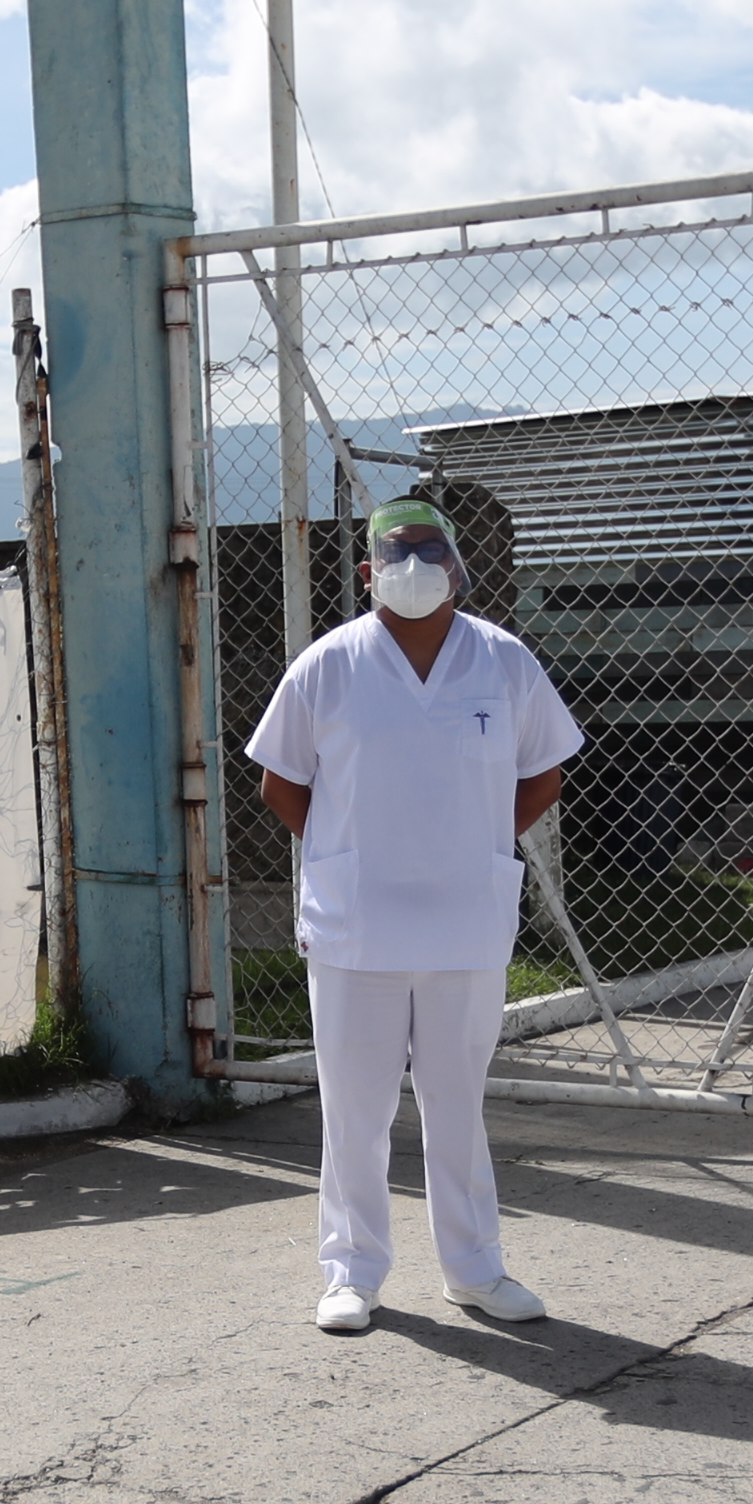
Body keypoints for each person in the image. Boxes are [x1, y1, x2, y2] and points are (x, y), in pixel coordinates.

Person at [246, 498, 585, 1334]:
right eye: (396, 552)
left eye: (430, 549)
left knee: (456, 1104)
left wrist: (474, 839)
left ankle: (475, 1271)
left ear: (459, 565)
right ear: (367, 574)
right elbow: (281, 781)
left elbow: (544, 771)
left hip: (465, 922)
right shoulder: (329, 665)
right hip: (357, 921)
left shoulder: (502, 662)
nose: (415, 565)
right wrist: (347, 847)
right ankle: (351, 1273)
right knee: (354, 1107)